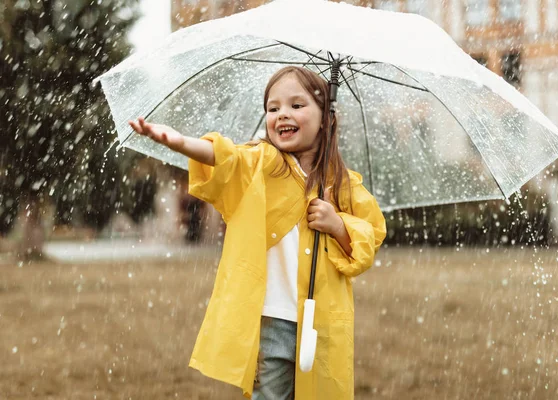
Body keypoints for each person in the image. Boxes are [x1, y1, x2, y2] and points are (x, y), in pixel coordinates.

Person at [128, 66, 386, 400]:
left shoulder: (343, 185)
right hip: (272, 322)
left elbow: (371, 235)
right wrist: (181, 143)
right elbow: (226, 158)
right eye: (273, 108)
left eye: (296, 105)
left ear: (326, 118)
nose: (282, 115)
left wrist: (338, 225)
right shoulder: (262, 163)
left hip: (324, 327)